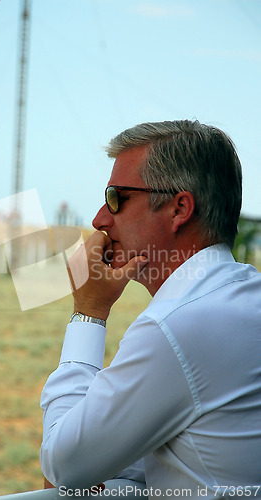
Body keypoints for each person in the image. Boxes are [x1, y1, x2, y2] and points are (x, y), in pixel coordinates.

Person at [40, 120, 261, 499]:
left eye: (117, 198)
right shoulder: (243, 296)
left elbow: (62, 467)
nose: (100, 219)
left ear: (179, 209)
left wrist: (89, 311)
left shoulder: (176, 325)